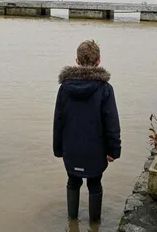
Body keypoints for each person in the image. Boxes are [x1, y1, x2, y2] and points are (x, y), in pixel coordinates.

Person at [53, 40, 122, 222]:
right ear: (99, 61)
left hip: (71, 149)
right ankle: (95, 224)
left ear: (76, 60)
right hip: (95, 150)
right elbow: (112, 123)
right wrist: (114, 150)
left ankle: (72, 221)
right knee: (94, 183)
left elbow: (58, 121)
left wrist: (58, 149)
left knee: (73, 181)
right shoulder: (105, 89)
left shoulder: (64, 89)